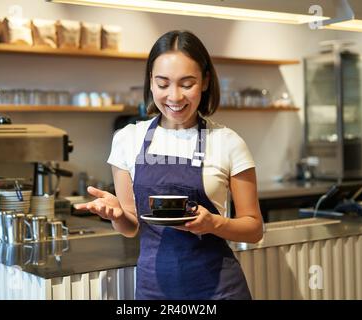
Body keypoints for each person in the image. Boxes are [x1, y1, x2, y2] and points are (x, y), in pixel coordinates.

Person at [75, 30, 264, 300]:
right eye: (163, 84)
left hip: (219, 290)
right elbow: (132, 227)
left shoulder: (227, 142)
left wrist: (214, 224)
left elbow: (254, 228)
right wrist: (117, 215)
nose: (174, 97)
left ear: (206, 81)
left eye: (187, 84)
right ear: (150, 82)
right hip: (154, 289)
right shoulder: (127, 139)